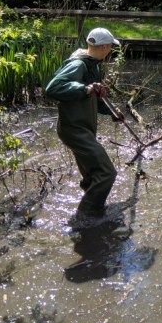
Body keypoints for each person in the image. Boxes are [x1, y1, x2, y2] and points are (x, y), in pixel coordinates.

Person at [45, 27, 124, 218]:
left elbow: (94, 97)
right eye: (110, 48)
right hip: (74, 129)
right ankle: (86, 216)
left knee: (91, 174)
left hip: (83, 127)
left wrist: (111, 111)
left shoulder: (93, 66)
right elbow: (53, 88)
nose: (110, 52)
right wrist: (85, 89)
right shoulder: (78, 65)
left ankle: (90, 204)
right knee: (107, 173)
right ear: (104, 47)